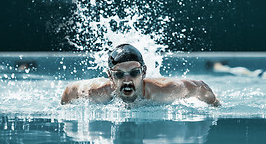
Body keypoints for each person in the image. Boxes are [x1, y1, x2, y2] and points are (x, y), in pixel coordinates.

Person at [61, 44, 220, 106]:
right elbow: (69, 91)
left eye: (134, 72)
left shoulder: (165, 90)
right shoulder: (97, 91)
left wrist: (216, 105)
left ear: (143, 72)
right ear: (110, 76)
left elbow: (200, 87)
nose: (127, 79)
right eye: (119, 75)